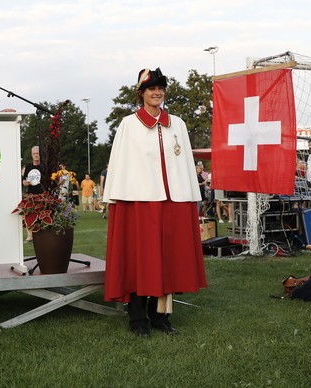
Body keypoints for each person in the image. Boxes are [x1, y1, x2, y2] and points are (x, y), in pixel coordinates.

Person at [103, 67, 207, 338]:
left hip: (173, 202)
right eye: (152, 89)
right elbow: (122, 164)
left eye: (161, 88)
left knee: (168, 259)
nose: (157, 92)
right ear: (142, 93)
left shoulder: (178, 125)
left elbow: (182, 164)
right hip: (141, 201)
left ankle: (161, 316)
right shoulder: (129, 124)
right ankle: (138, 318)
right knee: (142, 258)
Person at [22, 146, 45, 241]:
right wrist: (25, 183)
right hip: (31, 194)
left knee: (41, 215)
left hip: (43, 194)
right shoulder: (28, 167)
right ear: (32, 155)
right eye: (34, 153)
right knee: (27, 214)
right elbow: (24, 180)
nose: (36, 155)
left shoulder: (44, 166)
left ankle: (42, 233)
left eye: (38, 153)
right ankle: (30, 235)